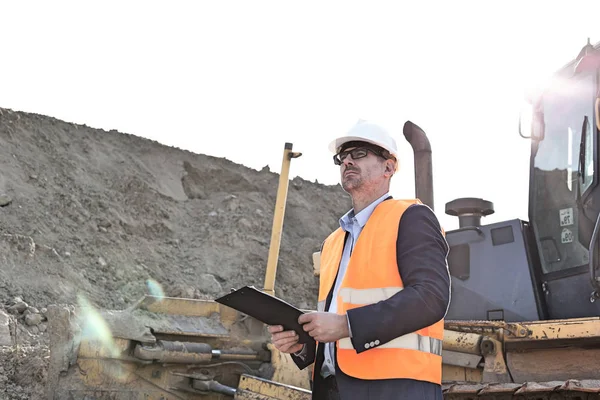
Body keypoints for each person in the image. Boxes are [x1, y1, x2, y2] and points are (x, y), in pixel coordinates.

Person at [268, 120, 451, 400]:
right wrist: (302, 344)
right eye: (342, 157)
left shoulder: (411, 218)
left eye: (359, 153)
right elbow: (338, 317)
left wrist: (346, 325)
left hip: (396, 389)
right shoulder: (333, 242)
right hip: (334, 388)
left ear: (389, 168)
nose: (347, 161)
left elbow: (431, 297)